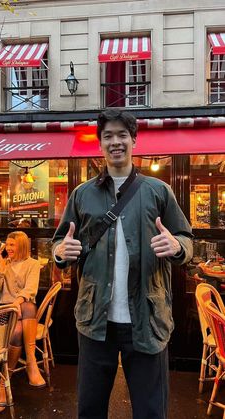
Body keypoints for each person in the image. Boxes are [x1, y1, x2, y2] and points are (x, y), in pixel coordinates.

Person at [52, 109, 193, 419]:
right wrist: (62, 251)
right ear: (100, 144)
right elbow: (58, 244)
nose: (115, 142)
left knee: (150, 410)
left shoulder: (158, 191)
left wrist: (177, 246)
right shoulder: (82, 194)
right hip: (94, 321)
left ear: (134, 140)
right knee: (90, 409)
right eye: (108, 136)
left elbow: (186, 238)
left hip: (147, 319)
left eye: (121, 135)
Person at [0, 231, 45, 413]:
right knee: (19, 324)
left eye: (13, 244)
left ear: (22, 246)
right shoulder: (4, 264)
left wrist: (18, 302)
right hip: (7, 311)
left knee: (24, 316)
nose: (9, 248)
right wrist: (1, 267)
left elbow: (31, 290)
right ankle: (30, 364)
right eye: (8, 244)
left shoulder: (33, 264)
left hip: (23, 308)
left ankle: (4, 386)